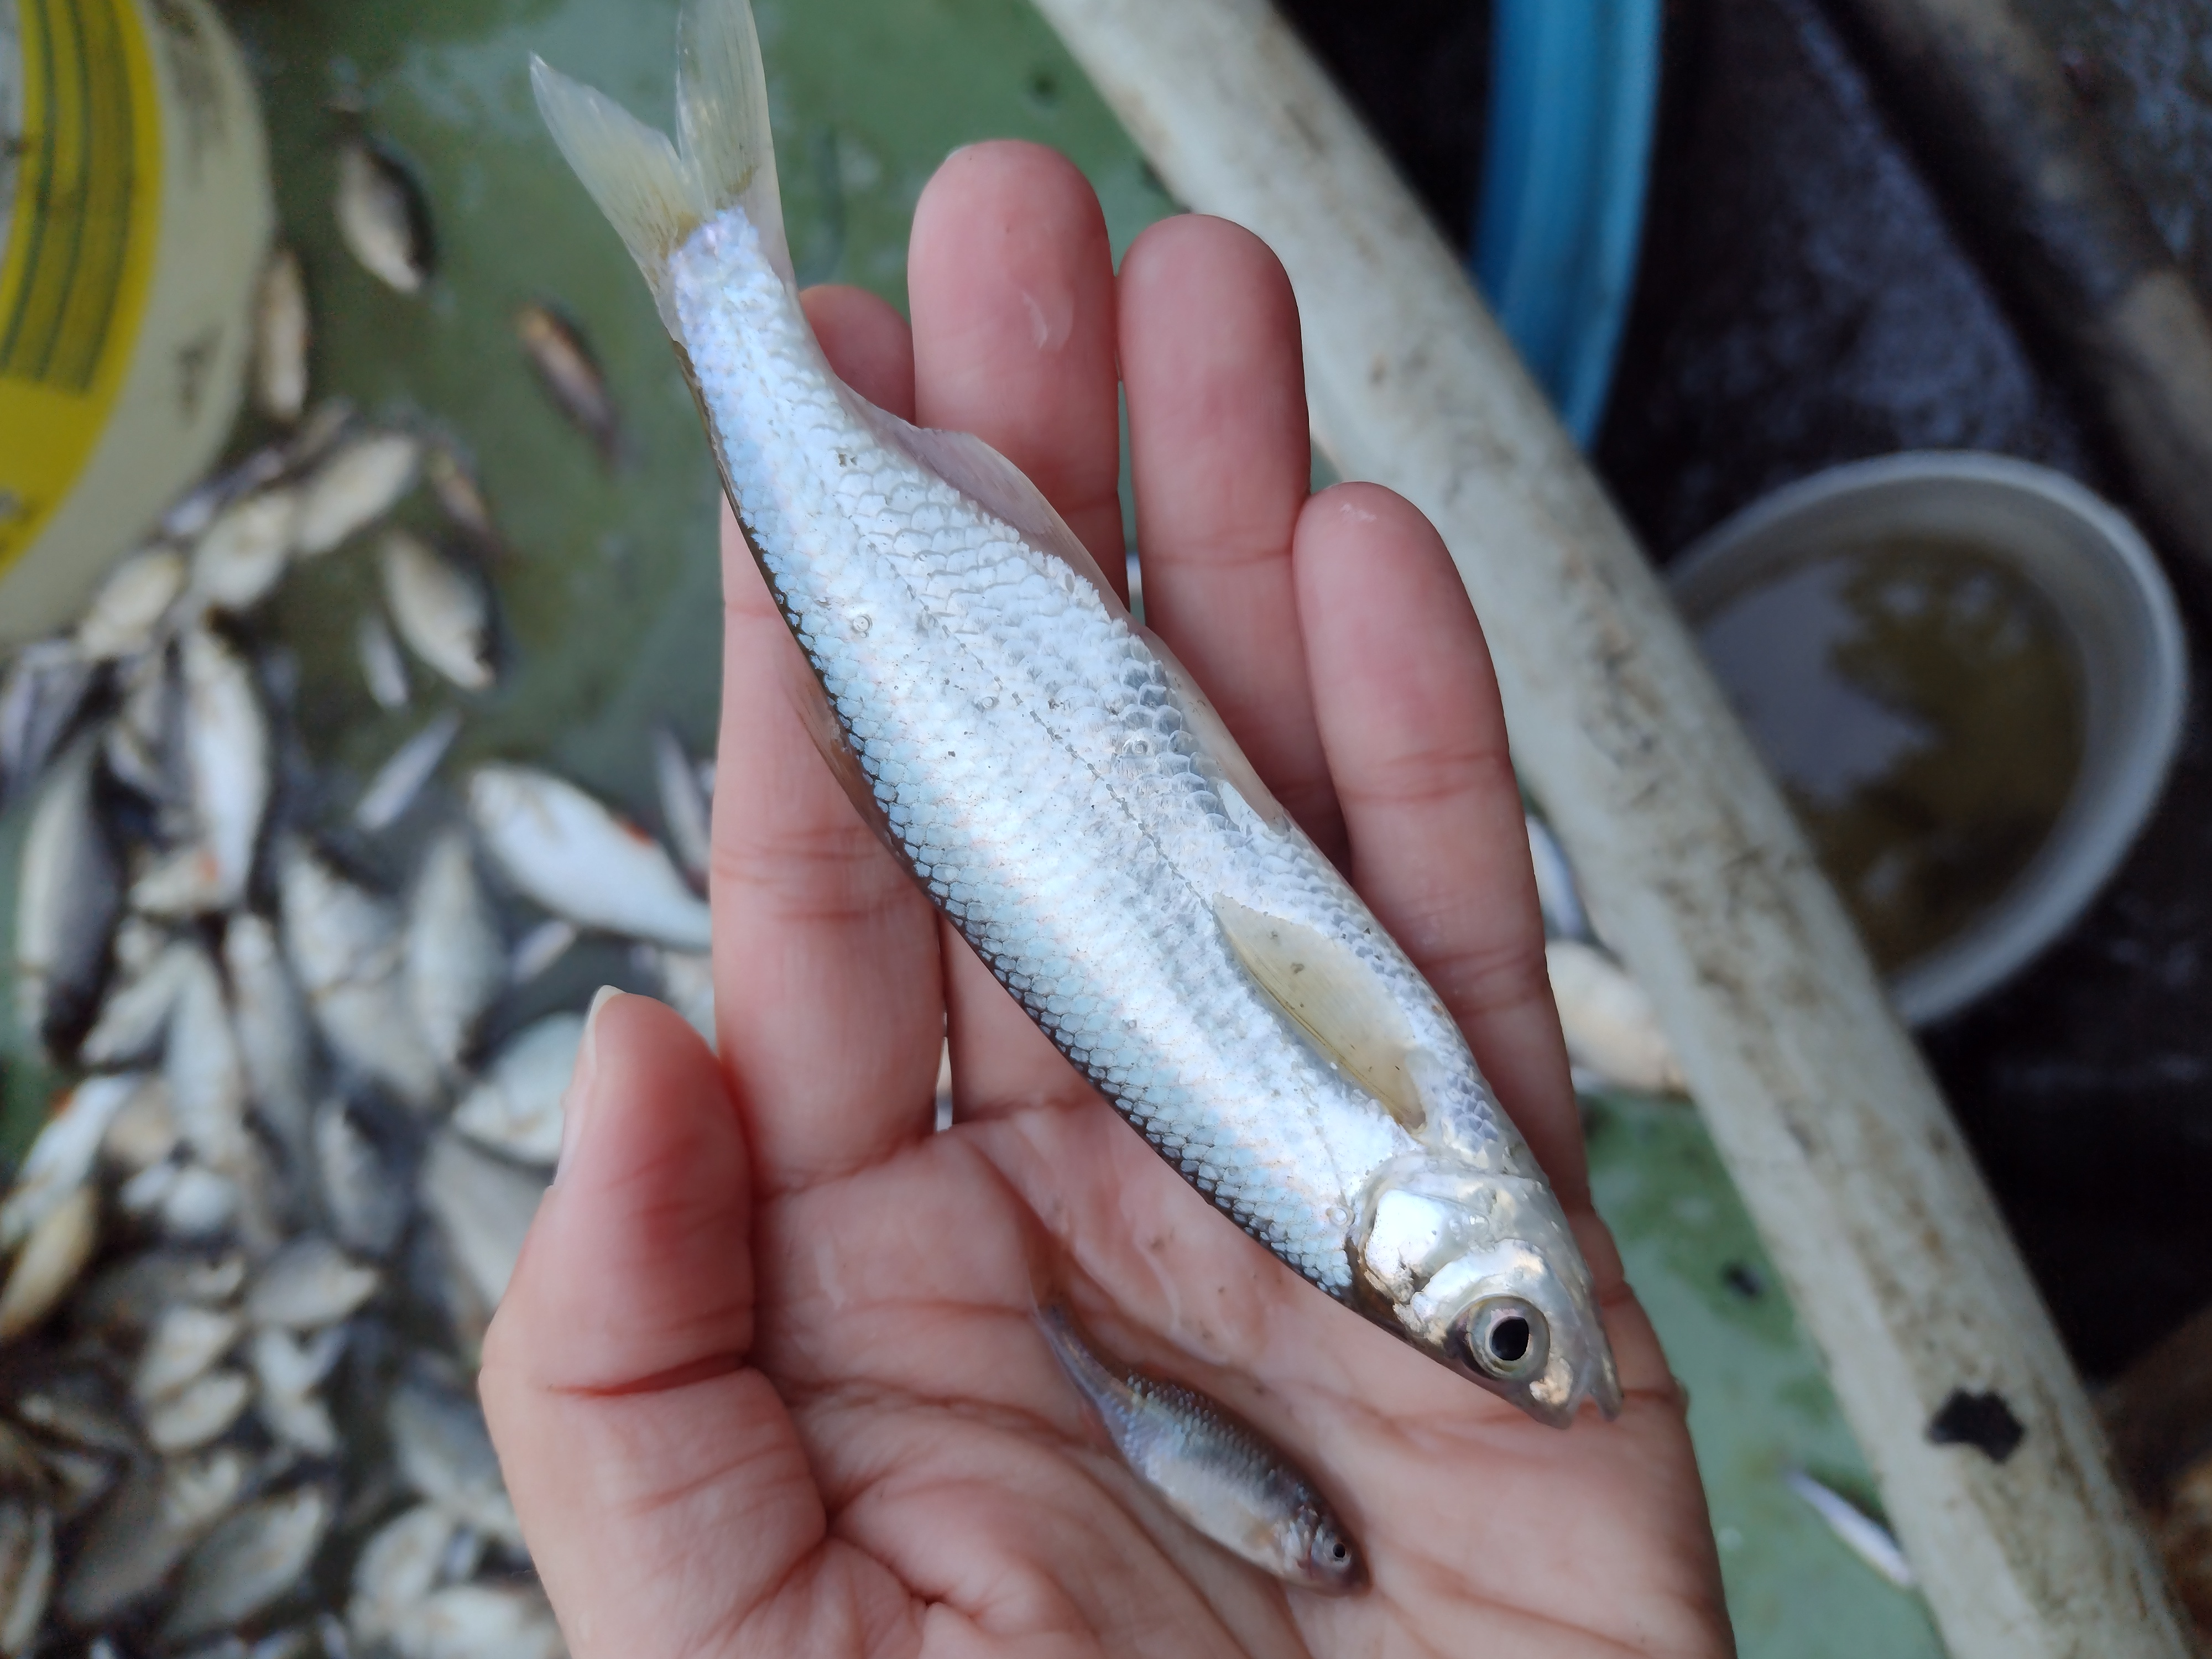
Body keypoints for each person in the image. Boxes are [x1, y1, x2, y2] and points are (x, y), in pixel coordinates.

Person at [479, 139, 1734, 1657]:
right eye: (1508, 1337)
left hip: (1001, 771)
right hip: (1015, 776)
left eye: (1507, 1332)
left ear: (1415, 1254)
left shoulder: (1389, 1165)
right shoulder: (1414, 1167)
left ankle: (716, 293)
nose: (1536, 1337)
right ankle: (722, 299)